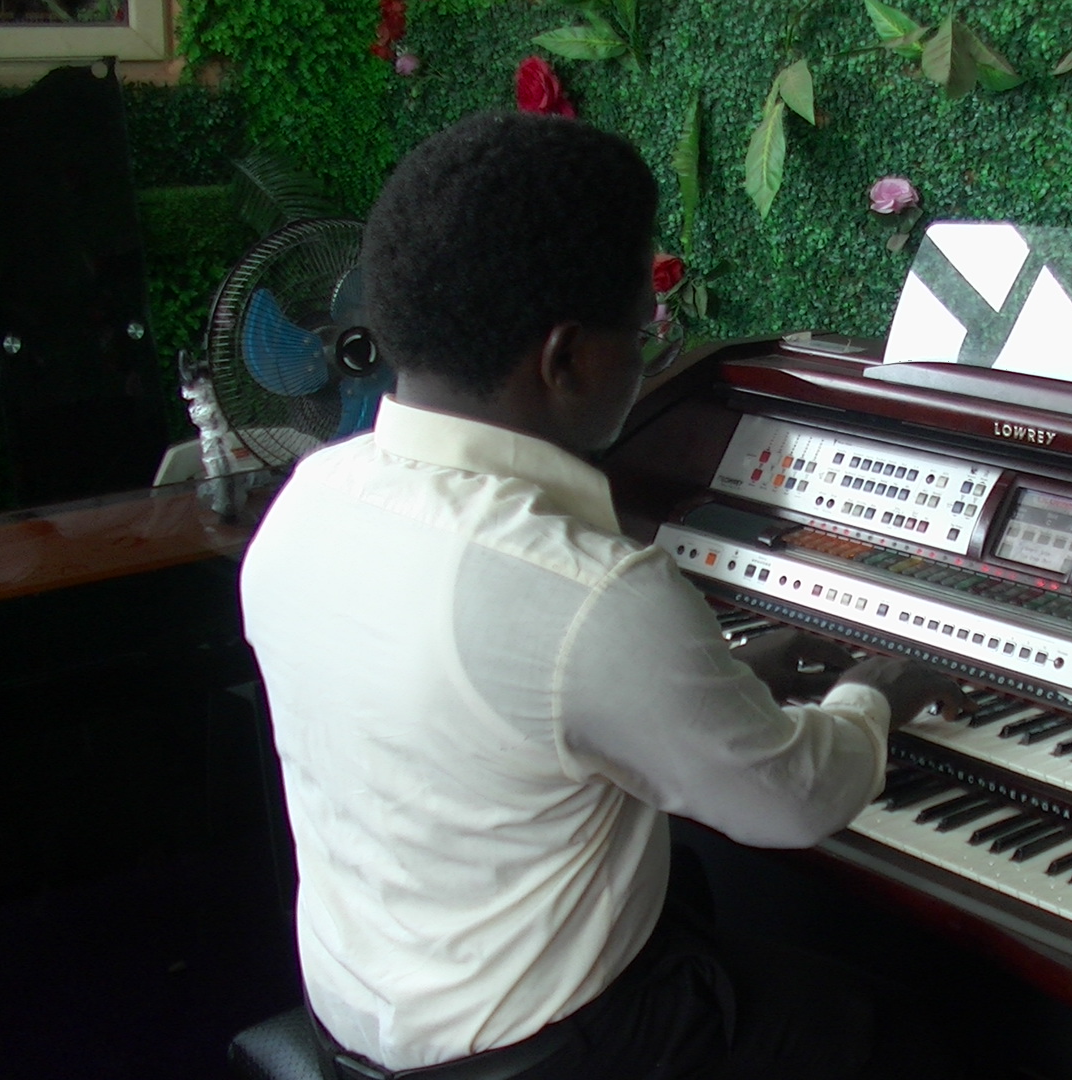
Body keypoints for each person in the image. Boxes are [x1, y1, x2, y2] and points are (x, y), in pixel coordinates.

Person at [238, 110, 970, 1080]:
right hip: (541, 1057)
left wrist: (733, 677)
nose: (651, 352)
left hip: (368, 1009)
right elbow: (793, 803)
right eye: (645, 327)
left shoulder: (307, 502)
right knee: (911, 1032)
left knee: (701, 892)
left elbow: (499, 718)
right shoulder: (587, 590)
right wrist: (878, 690)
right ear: (566, 358)